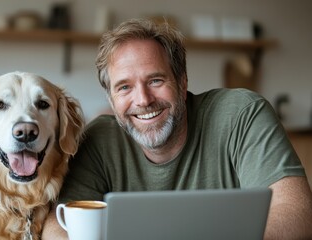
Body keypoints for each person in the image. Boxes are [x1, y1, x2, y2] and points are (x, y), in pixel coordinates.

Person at [42, 18, 312, 239]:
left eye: (156, 80)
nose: (143, 100)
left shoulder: (243, 115)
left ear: (182, 83)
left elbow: (296, 214)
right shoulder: (98, 139)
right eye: (124, 87)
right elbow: (57, 225)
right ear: (112, 100)